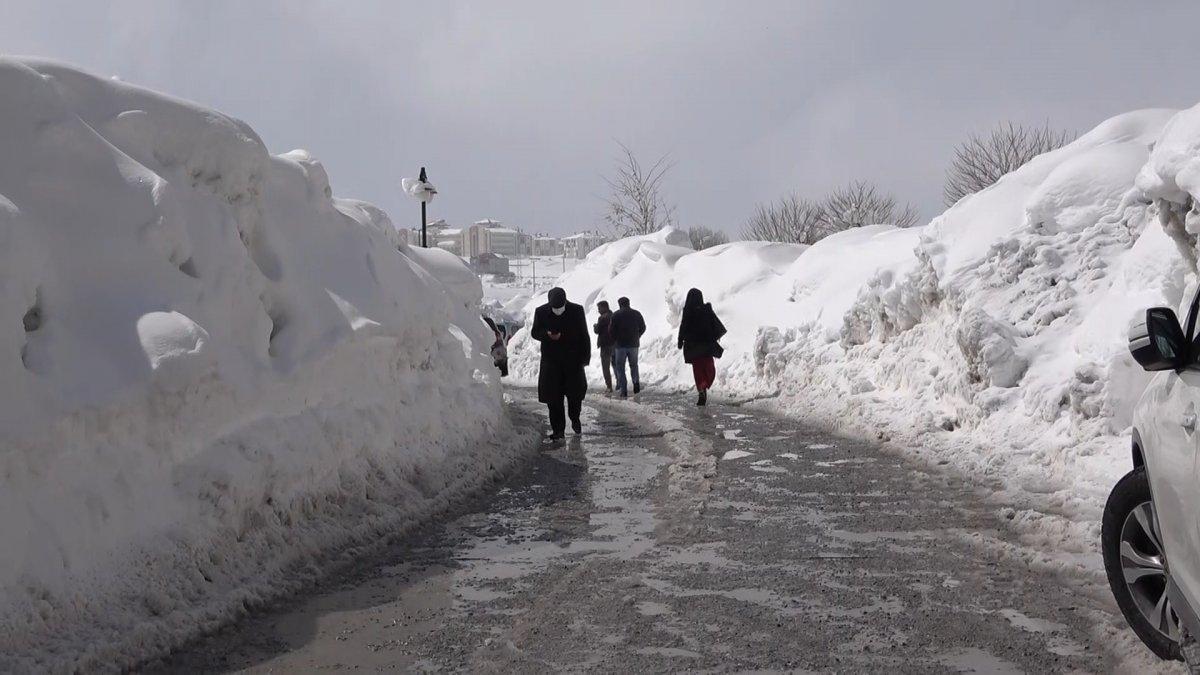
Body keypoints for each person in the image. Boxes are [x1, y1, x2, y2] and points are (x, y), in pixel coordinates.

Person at [531, 287, 590, 438]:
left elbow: (584, 334)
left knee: (575, 395)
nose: (558, 310)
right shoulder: (541, 311)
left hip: (573, 362)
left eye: (560, 307)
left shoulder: (577, 311)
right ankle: (558, 430)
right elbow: (535, 332)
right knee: (553, 398)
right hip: (551, 363)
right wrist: (547, 335)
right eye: (555, 308)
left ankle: (575, 417)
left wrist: (585, 358)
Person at [677, 288, 726, 406]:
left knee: (698, 370)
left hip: (693, 346)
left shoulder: (688, 310)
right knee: (709, 368)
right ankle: (704, 386)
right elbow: (715, 323)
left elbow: (683, 325)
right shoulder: (706, 309)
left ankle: (702, 389)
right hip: (707, 345)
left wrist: (680, 340)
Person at [609, 296, 646, 398]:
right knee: (634, 365)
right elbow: (643, 327)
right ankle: (636, 383)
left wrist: (615, 339)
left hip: (620, 345)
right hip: (634, 344)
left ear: (620, 304)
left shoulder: (616, 315)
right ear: (629, 303)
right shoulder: (636, 313)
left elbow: (611, 330)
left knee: (620, 367)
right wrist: (637, 336)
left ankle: (624, 390)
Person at [593, 300, 616, 392]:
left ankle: (609, 386)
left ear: (604, 307)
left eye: (599, 308)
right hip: (614, 344)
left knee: (605, 367)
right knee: (616, 365)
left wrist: (595, 326)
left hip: (605, 345)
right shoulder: (614, 315)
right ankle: (620, 384)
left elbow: (597, 330)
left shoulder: (602, 318)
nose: (598, 310)